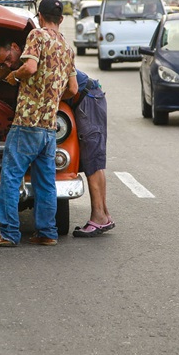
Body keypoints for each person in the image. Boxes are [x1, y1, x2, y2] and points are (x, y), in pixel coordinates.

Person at [0, 0, 77, 247]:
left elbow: (31, 68)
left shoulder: (37, 35)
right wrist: (53, 98)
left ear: (40, 17)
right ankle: (47, 233)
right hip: (48, 127)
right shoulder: (67, 47)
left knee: (11, 177)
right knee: (46, 182)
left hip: (27, 122)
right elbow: (73, 88)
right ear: (61, 19)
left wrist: (14, 76)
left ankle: (9, 233)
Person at [69, 69, 114, 237]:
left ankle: (99, 217)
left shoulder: (43, 55)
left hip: (87, 99)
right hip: (91, 97)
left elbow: (72, 89)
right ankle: (104, 215)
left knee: (92, 161)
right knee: (95, 161)